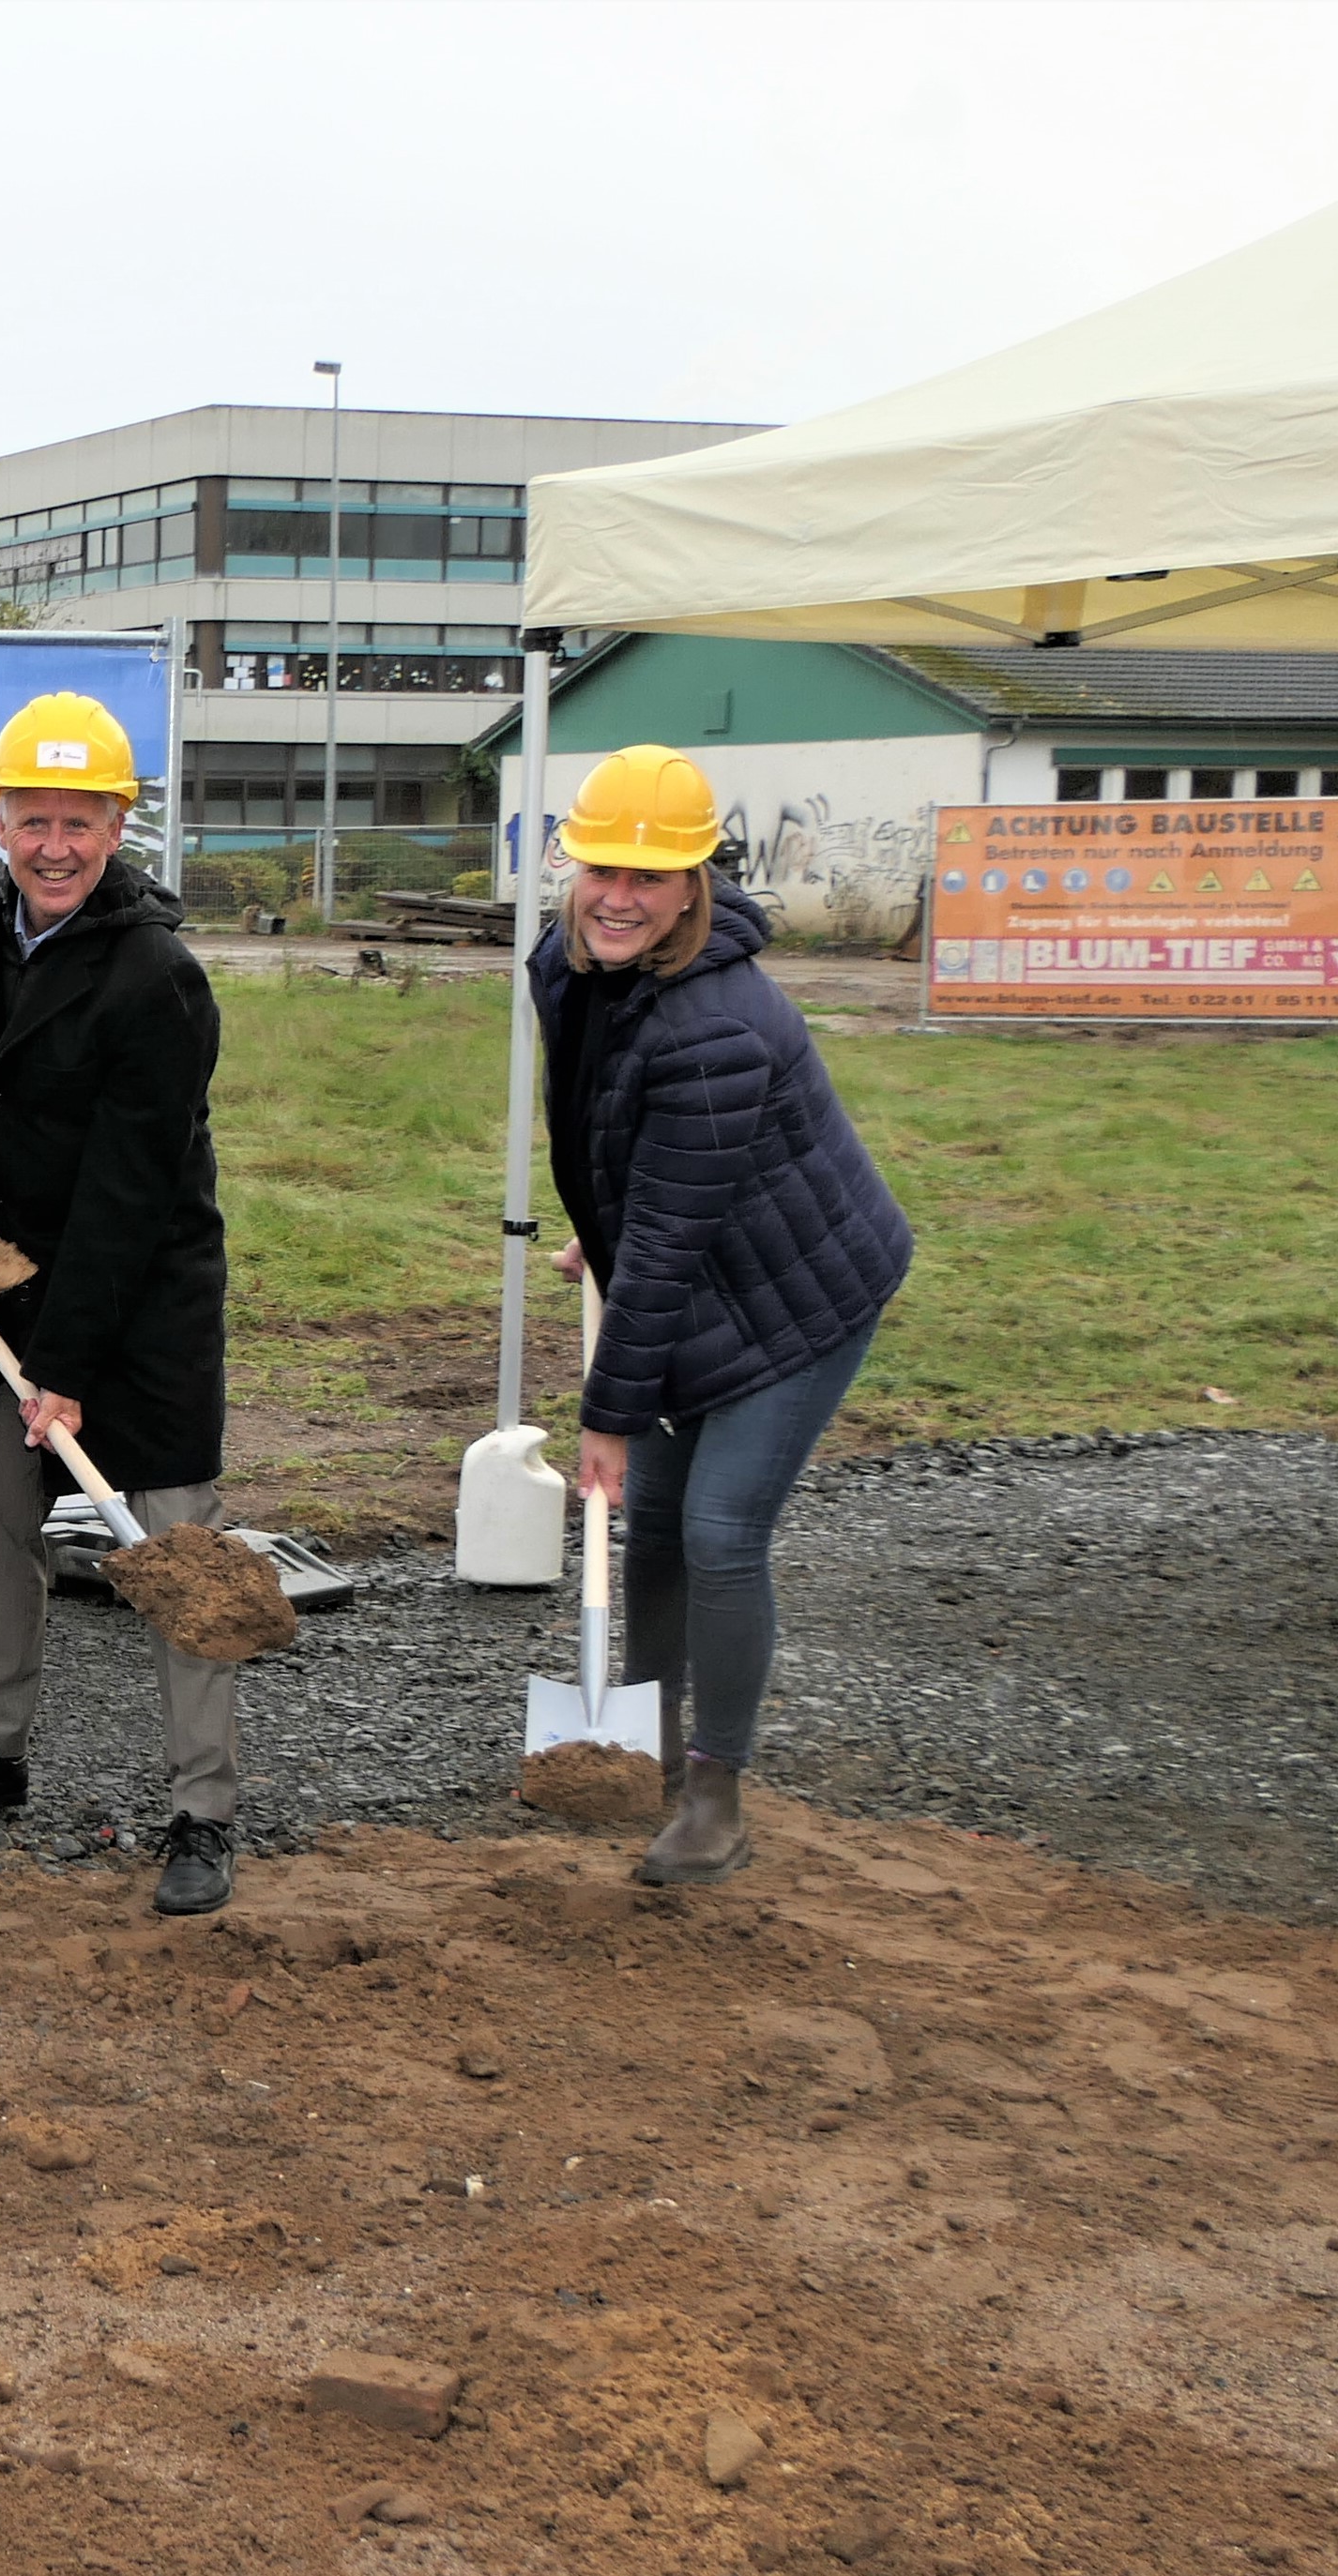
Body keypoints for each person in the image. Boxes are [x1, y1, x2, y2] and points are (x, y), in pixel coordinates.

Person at [533, 743, 913, 1887]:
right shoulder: (568, 963)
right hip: (699, 1262)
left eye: (650, 877)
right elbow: (609, 1125)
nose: (619, 896)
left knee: (717, 1530)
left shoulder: (719, 1026)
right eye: (603, 867)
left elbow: (665, 1240)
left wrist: (605, 1414)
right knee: (649, 1529)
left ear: (694, 882)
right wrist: (597, 1221)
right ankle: (634, 1746)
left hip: (799, 1295)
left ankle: (714, 1795)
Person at [0, 695, 246, 1915]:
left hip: (140, 1303)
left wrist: (72, 1363)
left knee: (173, 1553)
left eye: (78, 822)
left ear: (117, 824)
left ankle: (202, 1808)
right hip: (14, 1282)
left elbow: (128, 1195)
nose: (53, 845)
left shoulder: (159, 979)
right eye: (32, 819)